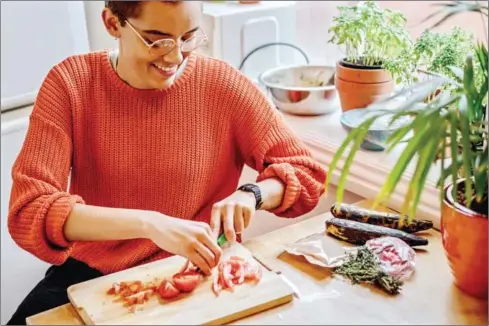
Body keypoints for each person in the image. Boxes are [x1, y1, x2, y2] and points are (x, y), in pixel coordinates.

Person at [6, 1, 327, 324]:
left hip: (198, 274)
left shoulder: (223, 85)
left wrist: (252, 194)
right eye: (156, 40)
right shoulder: (71, 83)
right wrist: (151, 224)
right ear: (112, 24)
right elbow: (30, 210)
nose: (174, 56)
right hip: (88, 275)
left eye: (188, 37)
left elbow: (306, 173)